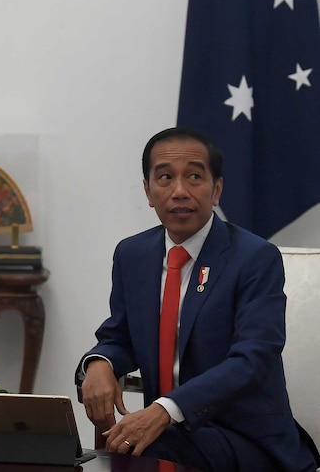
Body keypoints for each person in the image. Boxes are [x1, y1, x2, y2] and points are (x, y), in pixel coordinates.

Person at [76, 127, 319, 471]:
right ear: (148, 190)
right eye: (164, 177)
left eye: (193, 177)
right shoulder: (133, 254)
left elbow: (253, 358)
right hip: (172, 435)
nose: (179, 191)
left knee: (141, 448)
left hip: (246, 438)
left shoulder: (254, 257)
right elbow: (121, 336)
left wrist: (165, 409)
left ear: (216, 189)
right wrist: (99, 363)